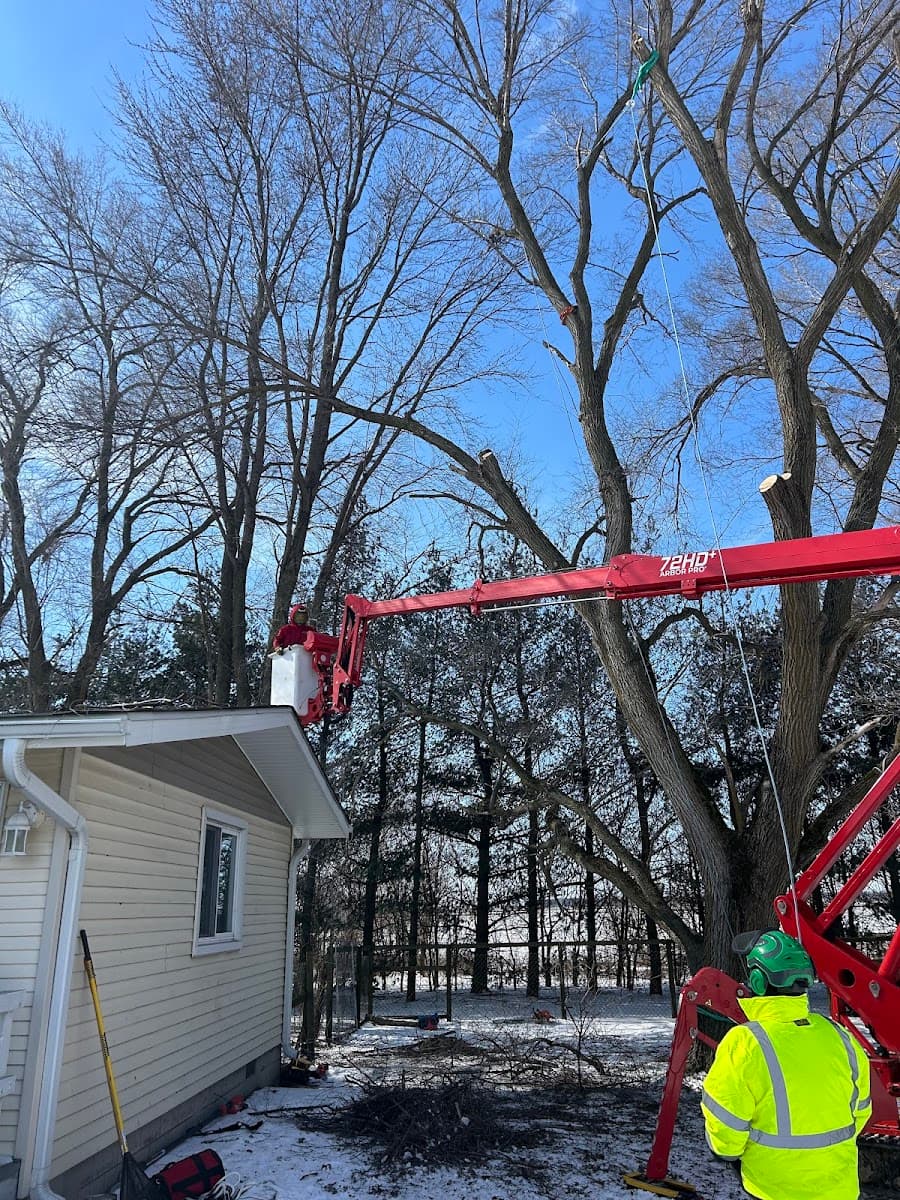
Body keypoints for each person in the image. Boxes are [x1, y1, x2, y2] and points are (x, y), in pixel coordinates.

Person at [701, 929, 871, 1200]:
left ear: (758, 981)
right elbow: (860, 1111)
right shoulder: (839, 1036)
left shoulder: (745, 1042)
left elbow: (725, 1126)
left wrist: (727, 1152)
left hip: (773, 1188)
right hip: (839, 1188)